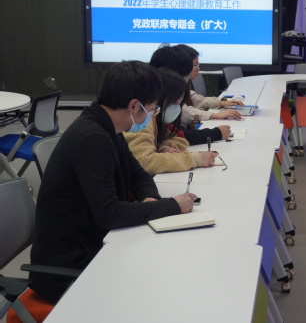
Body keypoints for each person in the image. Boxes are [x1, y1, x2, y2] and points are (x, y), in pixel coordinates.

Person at [29, 61, 197, 304]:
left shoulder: (108, 126)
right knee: (164, 287)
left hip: (95, 243)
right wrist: (171, 205)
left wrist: (150, 199)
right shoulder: (92, 138)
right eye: (152, 108)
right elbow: (109, 214)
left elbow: (138, 174)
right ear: (134, 105)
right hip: (71, 267)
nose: (152, 114)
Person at [124, 67, 218, 174]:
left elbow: (179, 139)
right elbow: (145, 162)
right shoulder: (143, 120)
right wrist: (195, 159)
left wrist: (162, 147)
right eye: (174, 103)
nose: (177, 108)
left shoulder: (156, 118)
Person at [149, 45, 233, 144]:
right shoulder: (148, 115)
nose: (185, 79)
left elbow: (171, 135)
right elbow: (179, 133)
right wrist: (215, 131)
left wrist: (164, 147)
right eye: (184, 75)